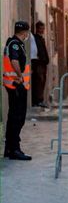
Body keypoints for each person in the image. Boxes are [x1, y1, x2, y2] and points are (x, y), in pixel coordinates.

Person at [3, 21, 32, 160]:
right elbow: (14, 61)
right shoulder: (14, 44)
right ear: (24, 32)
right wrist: (20, 76)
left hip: (14, 85)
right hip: (16, 85)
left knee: (13, 117)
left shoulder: (14, 43)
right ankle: (14, 149)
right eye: (27, 32)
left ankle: (9, 148)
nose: (27, 35)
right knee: (17, 118)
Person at [32, 21, 49, 108]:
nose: (42, 30)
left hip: (43, 63)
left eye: (43, 28)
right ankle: (37, 101)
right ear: (37, 28)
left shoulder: (41, 38)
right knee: (38, 81)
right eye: (41, 28)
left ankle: (40, 100)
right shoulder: (35, 38)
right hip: (38, 63)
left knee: (42, 81)